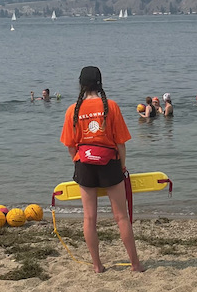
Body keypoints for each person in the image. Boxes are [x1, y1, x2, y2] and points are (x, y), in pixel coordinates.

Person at [60, 65, 144, 273]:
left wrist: (79, 163)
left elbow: (71, 146)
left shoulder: (73, 110)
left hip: (85, 165)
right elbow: (121, 143)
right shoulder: (111, 106)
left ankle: (97, 265)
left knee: (89, 218)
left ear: (80, 84)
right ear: (100, 84)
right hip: (110, 165)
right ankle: (135, 264)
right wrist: (122, 167)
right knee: (121, 217)